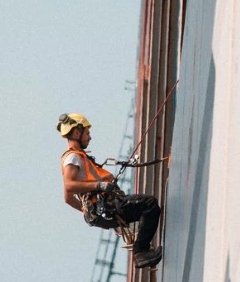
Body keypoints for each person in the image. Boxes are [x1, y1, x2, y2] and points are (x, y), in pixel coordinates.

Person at [57, 113, 162, 269]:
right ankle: (141, 252)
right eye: (87, 133)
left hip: (104, 209)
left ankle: (141, 247)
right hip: (107, 206)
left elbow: (68, 199)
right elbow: (69, 186)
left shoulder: (79, 158)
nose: (90, 137)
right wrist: (99, 187)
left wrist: (88, 210)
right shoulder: (73, 158)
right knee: (149, 204)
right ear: (77, 133)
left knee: (143, 208)